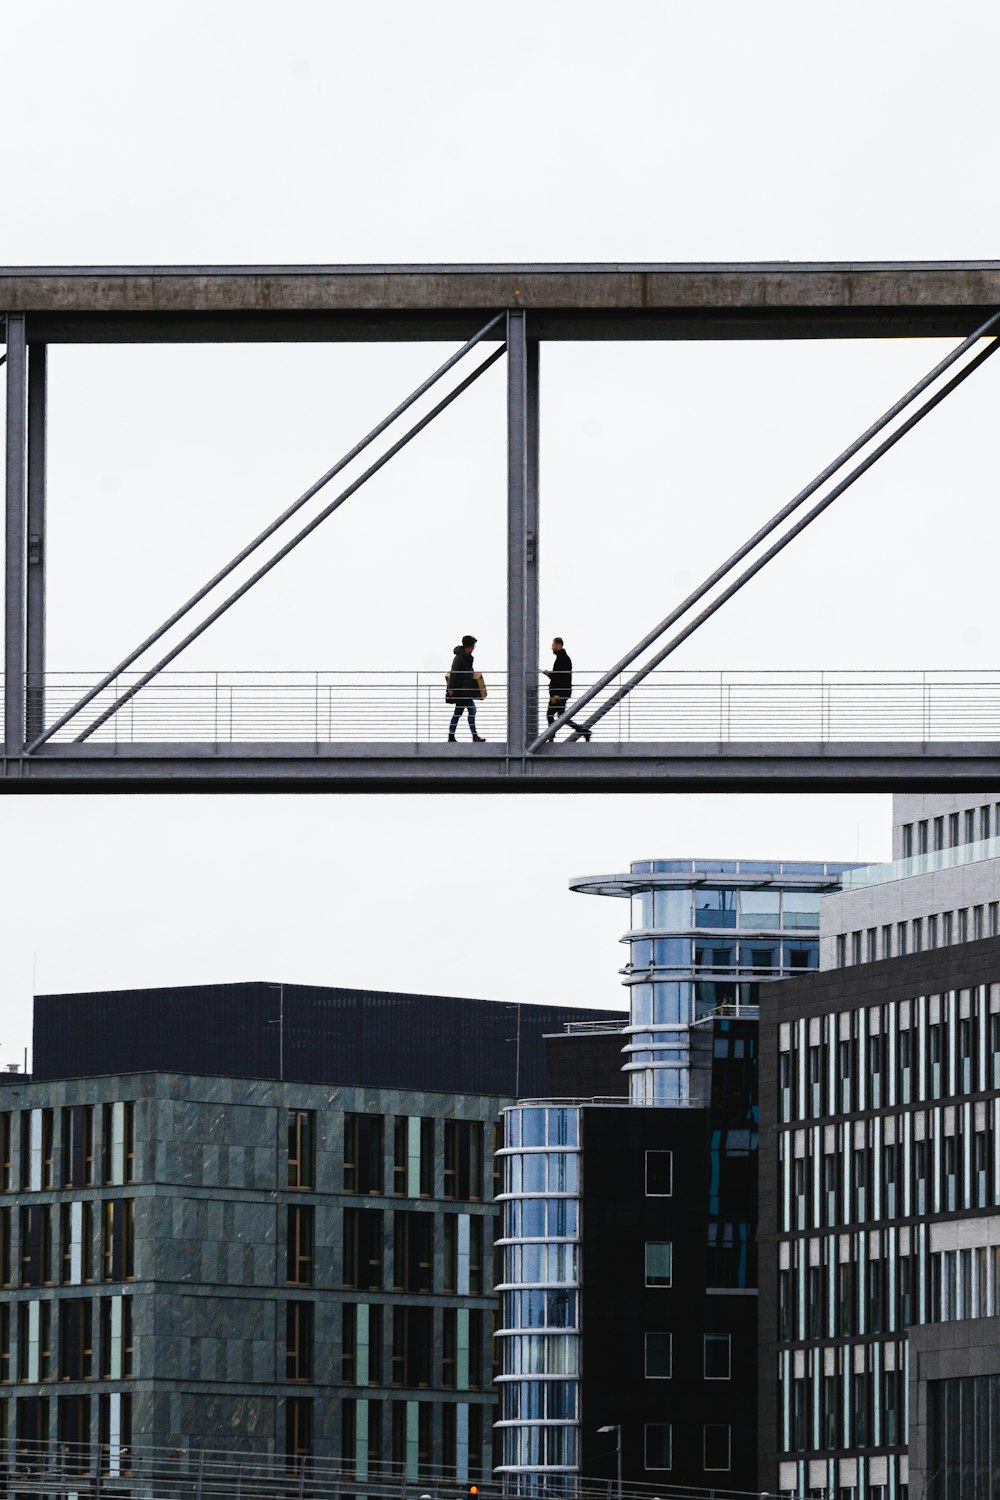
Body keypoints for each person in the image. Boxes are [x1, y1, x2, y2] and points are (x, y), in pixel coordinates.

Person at [543, 637, 591, 740]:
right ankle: (583, 731)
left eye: (553, 645)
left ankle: (551, 736)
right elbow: (560, 676)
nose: (552, 647)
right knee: (561, 716)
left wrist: (549, 675)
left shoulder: (562, 659)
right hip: (561, 693)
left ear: (559, 645)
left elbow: (561, 677)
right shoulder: (563, 658)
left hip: (558, 694)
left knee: (550, 715)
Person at [447, 635, 485, 741]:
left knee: (458, 713)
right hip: (462, 691)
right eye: (473, 646)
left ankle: (451, 735)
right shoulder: (459, 658)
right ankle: (474, 735)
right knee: (472, 710)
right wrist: (451, 689)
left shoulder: (467, 658)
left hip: (465, 690)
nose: (474, 648)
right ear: (467, 647)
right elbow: (454, 673)